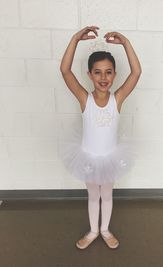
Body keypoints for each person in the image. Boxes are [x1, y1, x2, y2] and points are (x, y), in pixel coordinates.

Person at [60, 26, 141, 249]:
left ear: (114, 74)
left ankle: (104, 229)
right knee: (92, 195)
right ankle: (93, 230)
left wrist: (125, 43)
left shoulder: (118, 99)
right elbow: (65, 71)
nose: (103, 77)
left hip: (110, 158)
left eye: (108, 72)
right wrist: (75, 38)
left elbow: (136, 73)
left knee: (106, 194)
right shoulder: (85, 99)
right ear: (89, 75)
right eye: (97, 72)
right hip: (88, 157)